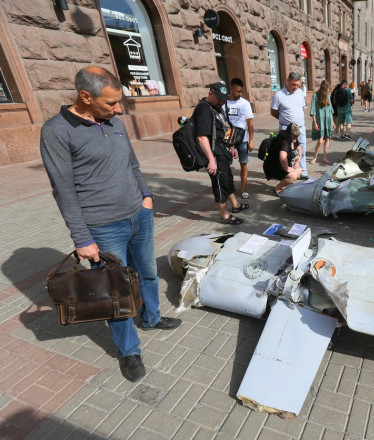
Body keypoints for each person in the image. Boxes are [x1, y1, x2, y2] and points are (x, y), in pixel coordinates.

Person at [40, 66, 182, 382]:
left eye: (119, 103)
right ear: (85, 96)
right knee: (114, 292)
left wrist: (146, 196)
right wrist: (81, 238)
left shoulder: (114, 123)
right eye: (111, 103)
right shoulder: (57, 131)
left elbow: (132, 164)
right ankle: (129, 351)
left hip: (139, 216)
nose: (118, 110)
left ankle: (152, 318)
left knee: (147, 273)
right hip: (103, 226)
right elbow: (62, 189)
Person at [193, 81, 249, 225]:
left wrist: (231, 146)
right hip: (214, 154)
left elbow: (224, 127)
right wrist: (211, 160)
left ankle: (235, 205)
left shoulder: (217, 106)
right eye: (220, 99)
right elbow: (201, 137)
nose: (222, 102)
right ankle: (224, 216)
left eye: (224, 99)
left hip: (223, 150)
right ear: (210, 93)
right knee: (219, 183)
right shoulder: (204, 109)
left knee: (228, 179)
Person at [271, 72, 309, 179]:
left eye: (298, 85)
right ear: (287, 81)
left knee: (302, 151)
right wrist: (285, 121)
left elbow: (301, 108)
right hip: (286, 130)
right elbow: (273, 112)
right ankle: (286, 174)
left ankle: (303, 172)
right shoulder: (279, 95)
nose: (296, 87)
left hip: (300, 128)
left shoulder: (300, 93)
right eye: (293, 84)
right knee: (286, 153)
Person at [226, 78, 254, 200]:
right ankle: (229, 188)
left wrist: (251, 140)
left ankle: (243, 189)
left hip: (242, 138)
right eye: (238, 91)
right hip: (227, 139)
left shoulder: (245, 103)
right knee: (227, 165)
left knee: (244, 163)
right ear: (231, 88)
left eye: (241, 91)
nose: (240, 94)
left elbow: (250, 123)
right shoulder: (223, 102)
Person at [264, 123, 303, 194]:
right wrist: (287, 169)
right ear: (289, 133)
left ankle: (283, 185)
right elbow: (282, 158)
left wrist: (297, 162)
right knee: (293, 176)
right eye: (294, 135)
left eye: (297, 135)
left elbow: (300, 150)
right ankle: (277, 189)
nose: (296, 137)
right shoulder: (284, 141)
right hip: (274, 167)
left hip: (283, 165)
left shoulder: (294, 139)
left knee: (299, 170)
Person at [310, 80, 335, 164]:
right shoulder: (315, 96)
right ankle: (315, 157)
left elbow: (330, 110)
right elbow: (313, 110)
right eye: (328, 89)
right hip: (320, 120)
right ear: (324, 89)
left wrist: (333, 122)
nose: (329, 90)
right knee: (320, 140)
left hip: (328, 120)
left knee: (327, 139)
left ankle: (324, 158)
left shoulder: (327, 96)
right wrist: (315, 123)